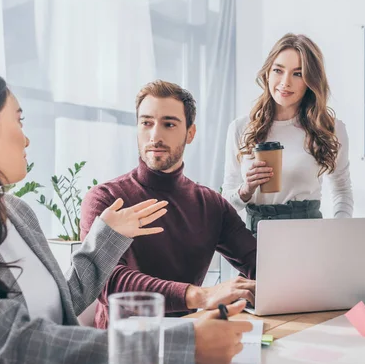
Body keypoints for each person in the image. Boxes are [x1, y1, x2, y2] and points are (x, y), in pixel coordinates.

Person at [0, 67, 252, 364]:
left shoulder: (15, 212)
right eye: (17, 120)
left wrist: (107, 238)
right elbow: (10, 341)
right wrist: (177, 343)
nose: (27, 137)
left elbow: (60, 306)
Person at [81, 80, 258, 329]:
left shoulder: (211, 204)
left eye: (169, 124)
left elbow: (256, 261)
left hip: (192, 337)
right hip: (121, 348)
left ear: (190, 133)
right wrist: (201, 295)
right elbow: (105, 281)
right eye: (146, 123)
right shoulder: (105, 198)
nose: (155, 136)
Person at [222, 33, 353, 236]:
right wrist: (245, 190)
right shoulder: (241, 127)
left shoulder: (329, 128)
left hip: (308, 238)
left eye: (298, 74)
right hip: (254, 241)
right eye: (278, 70)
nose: (285, 82)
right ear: (267, 73)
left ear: (311, 80)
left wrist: (337, 236)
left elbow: (342, 192)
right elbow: (226, 204)